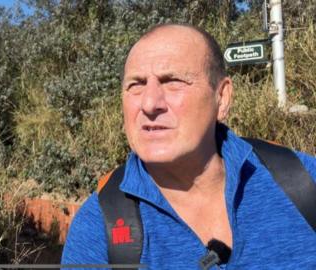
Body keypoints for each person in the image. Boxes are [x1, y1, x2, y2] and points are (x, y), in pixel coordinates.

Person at [61, 23, 316, 269]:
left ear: (222, 97)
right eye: (136, 85)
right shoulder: (98, 228)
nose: (149, 104)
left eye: (173, 81)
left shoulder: (303, 182)